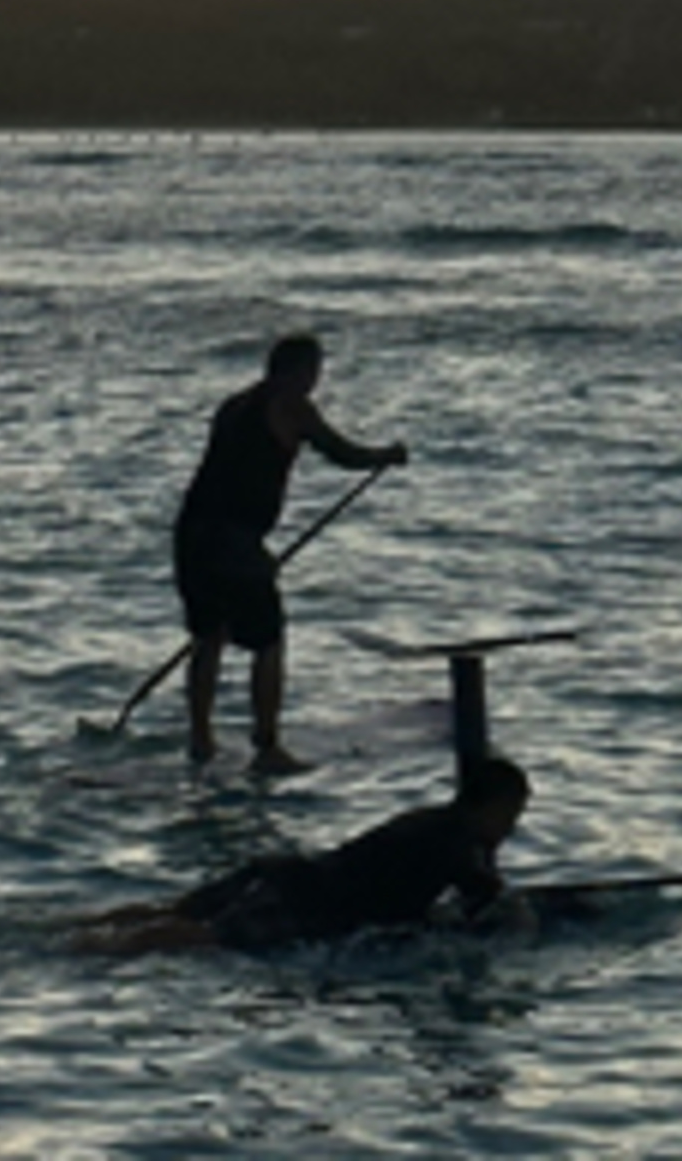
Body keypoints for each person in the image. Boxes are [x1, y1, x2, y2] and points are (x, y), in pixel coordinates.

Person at [172, 331, 404, 772]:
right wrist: (387, 456)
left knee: (208, 636)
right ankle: (267, 746)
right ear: (300, 371)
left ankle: (200, 740)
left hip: (193, 533)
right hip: (233, 539)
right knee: (269, 640)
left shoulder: (234, 405)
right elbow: (342, 453)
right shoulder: (293, 404)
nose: (316, 380)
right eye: (315, 370)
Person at [72, 753, 529, 957]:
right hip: (306, 900)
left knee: (176, 912)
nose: (511, 828)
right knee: (205, 937)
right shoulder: (459, 844)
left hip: (290, 873)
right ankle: (93, 951)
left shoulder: (429, 818)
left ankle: (76, 929)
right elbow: (490, 904)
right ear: (491, 807)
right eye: (511, 815)